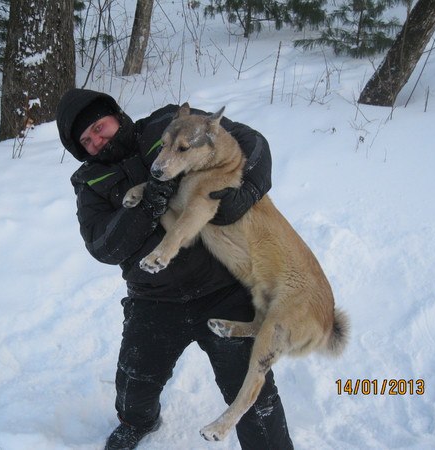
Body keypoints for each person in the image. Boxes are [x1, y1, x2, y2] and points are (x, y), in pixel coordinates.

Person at [56, 88, 293, 450]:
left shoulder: (168, 124)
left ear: (115, 115)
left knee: (253, 395)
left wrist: (247, 192)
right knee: (133, 387)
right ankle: (140, 422)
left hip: (222, 286)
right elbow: (103, 246)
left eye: (98, 128)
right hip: (155, 299)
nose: (96, 141)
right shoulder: (90, 182)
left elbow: (251, 142)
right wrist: (145, 206)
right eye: (86, 141)